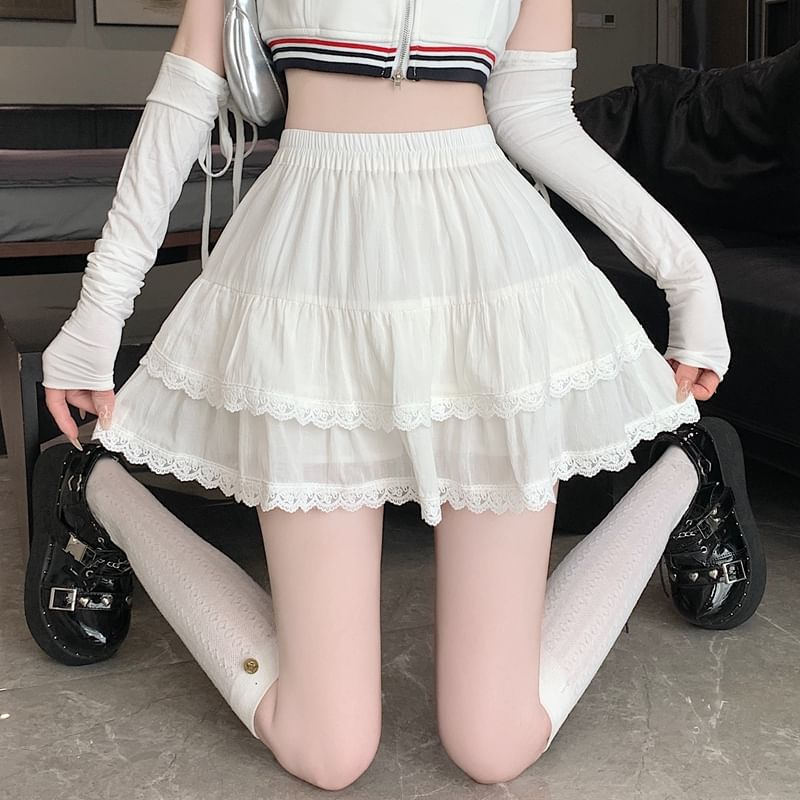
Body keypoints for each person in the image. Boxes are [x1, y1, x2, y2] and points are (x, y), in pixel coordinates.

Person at [24, 0, 766, 791]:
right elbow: (186, 98)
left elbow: (535, 116)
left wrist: (687, 275)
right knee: (326, 750)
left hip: (486, 284)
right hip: (311, 279)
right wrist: (98, 314)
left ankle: (687, 472)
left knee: (495, 744)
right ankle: (92, 486)